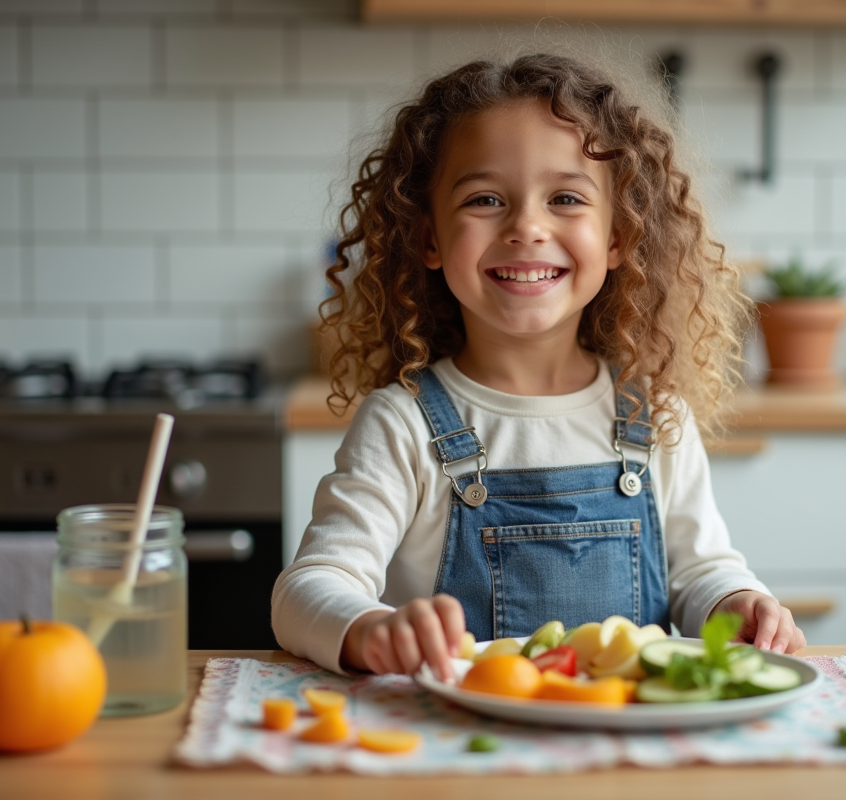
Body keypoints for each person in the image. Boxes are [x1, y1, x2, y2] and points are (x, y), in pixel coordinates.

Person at [271, 50, 805, 683]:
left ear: (618, 238)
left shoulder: (655, 417)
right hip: (464, 760)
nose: (527, 225)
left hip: (622, 760)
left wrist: (735, 604)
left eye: (566, 198)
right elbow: (309, 589)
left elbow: (700, 572)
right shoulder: (402, 424)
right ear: (430, 238)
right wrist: (368, 629)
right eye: (485, 198)